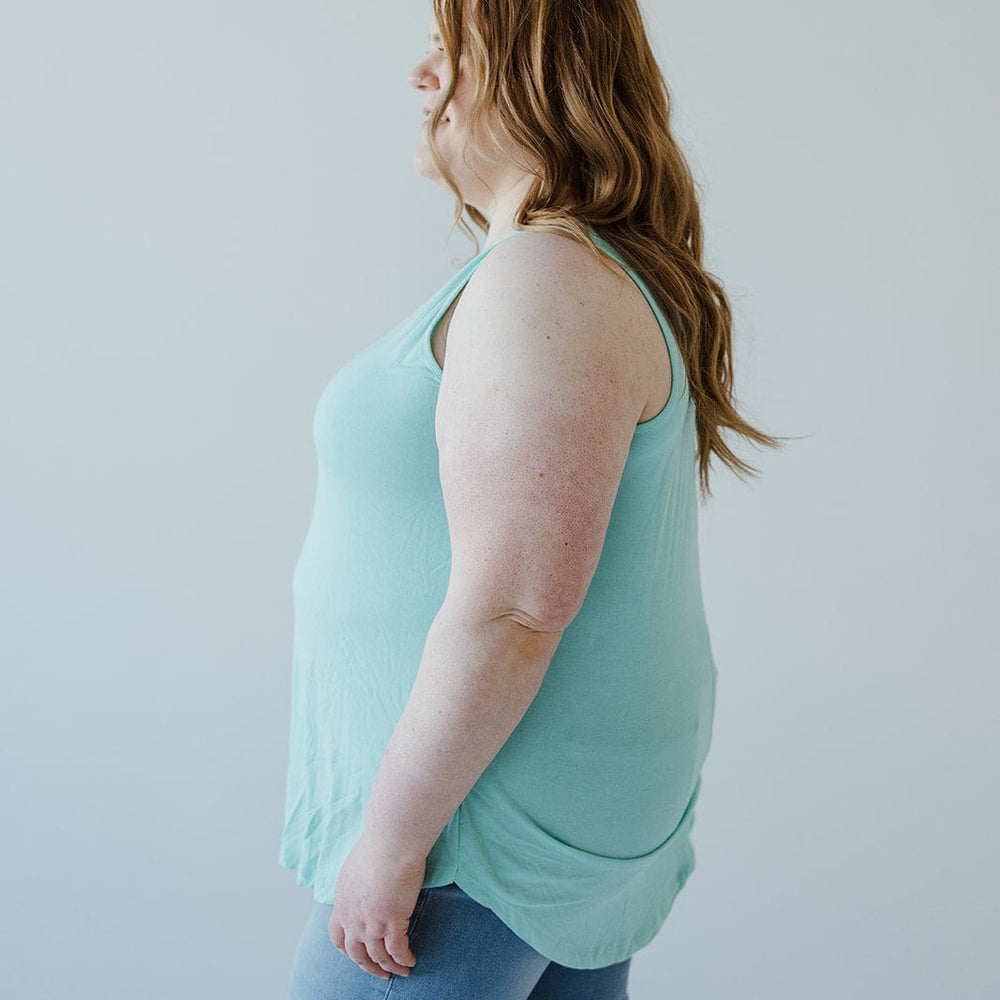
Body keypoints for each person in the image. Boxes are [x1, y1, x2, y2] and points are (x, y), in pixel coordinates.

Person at [280, 1, 783, 997]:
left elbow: (516, 604)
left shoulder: (543, 279)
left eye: (447, 53)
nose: (423, 81)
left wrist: (391, 842)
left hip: (471, 835)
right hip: (510, 820)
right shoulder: (566, 273)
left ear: (531, 72)